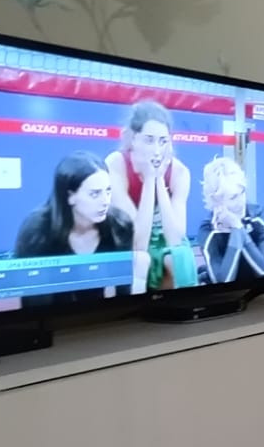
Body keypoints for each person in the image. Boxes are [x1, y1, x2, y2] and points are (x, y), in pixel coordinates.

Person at [13, 151, 136, 303]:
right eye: (95, 194)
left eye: (108, 191)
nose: (105, 201)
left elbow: (124, 292)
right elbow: (33, 301)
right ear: (70, 196)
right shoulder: (37, 230)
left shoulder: (120, 225)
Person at [105, 99, 198, 294]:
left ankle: (188, 303)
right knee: (139, 259)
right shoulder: (116, 164)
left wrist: (159, 181)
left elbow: (175, 239)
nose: (157, 150)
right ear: (133, 139)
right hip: (126, 239)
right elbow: (138, 242)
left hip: (162, 237)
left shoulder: (179, 172)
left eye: (163, 141)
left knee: (181, 256)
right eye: (149, 140)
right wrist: (149, 180)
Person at [196, 156, 264, 284]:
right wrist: (236, 229)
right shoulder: (207, 230)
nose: (241, 202)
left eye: (242, 192)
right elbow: (223, 281)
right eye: (233, 198)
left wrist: (237, 226)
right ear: (216, 200)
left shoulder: (258, 216)